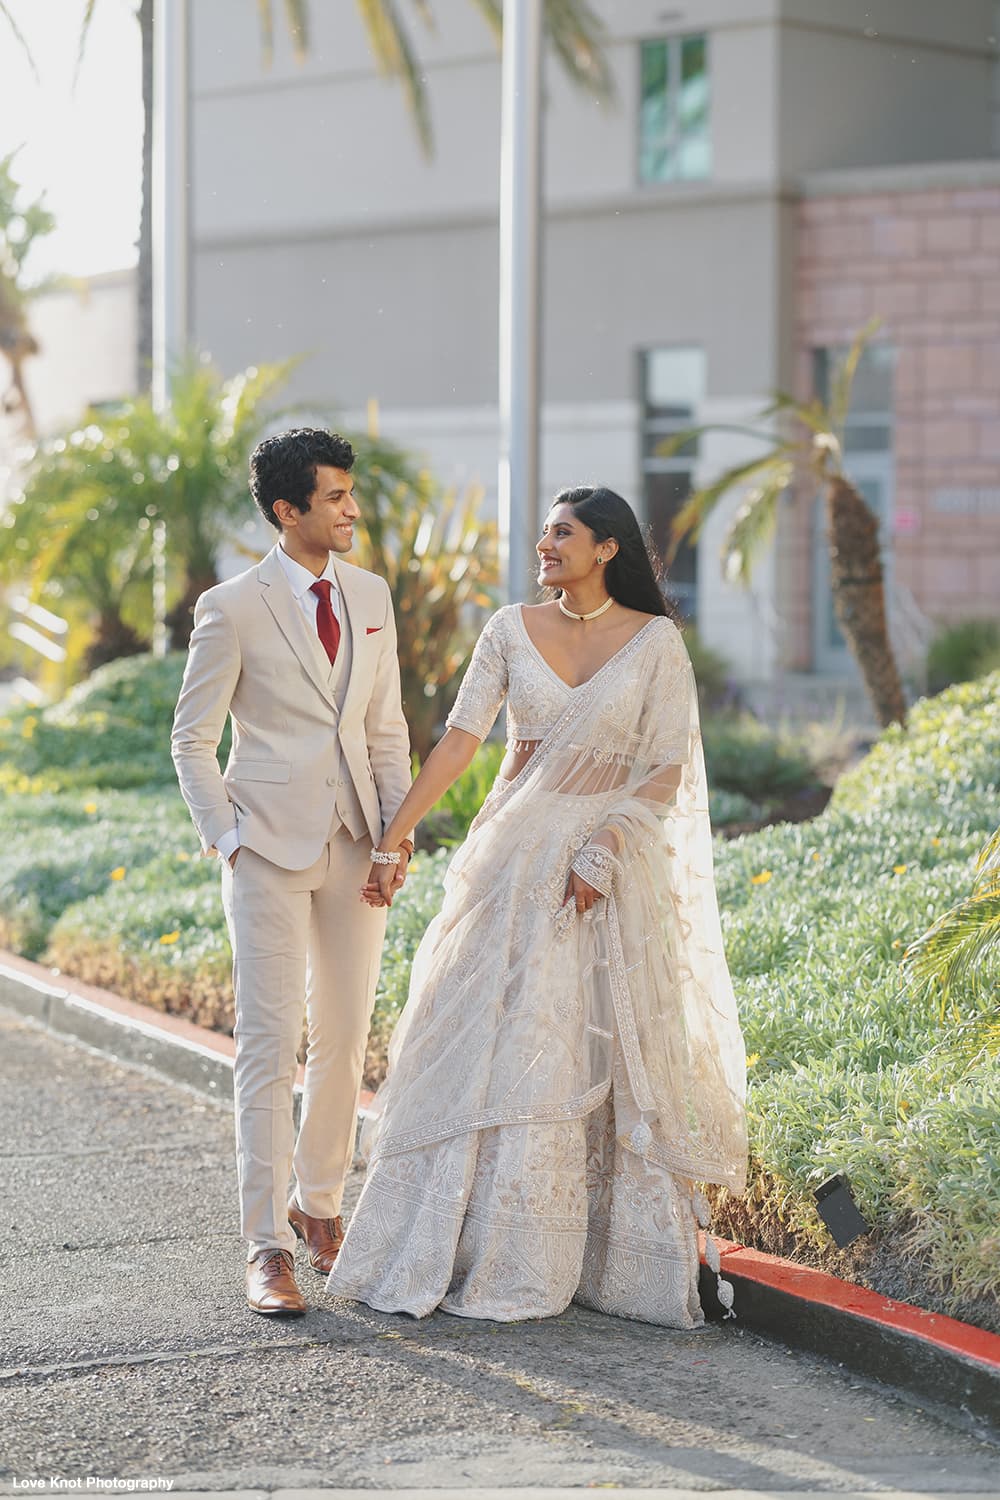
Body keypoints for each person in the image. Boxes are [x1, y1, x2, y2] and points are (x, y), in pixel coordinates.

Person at [327, 485, 747, 1328]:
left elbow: (665, 764)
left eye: (564, 533)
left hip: (606, 868)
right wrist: (393, 837)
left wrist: (608, 845)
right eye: (545, 533)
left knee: (579, 1039)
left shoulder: (657, 642)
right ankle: (473, 1243)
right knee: (484, 1030)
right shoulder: (510, 627)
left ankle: (590, 1253)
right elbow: (458, 738)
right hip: (509, 863)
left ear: (608, 549)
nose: (546, 544)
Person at [171, 428, 413, 1317]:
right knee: (271, 1046)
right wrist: (228, 838)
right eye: (336, 497)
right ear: (288, 510)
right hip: (265, 845)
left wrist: (392, 838)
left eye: (352, 494)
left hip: (354, 843)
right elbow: (191, 740)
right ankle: (264, 1243)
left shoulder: (372, 595)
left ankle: (319, 1206)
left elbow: (386, 729)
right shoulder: (231, 606)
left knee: (345, 1037)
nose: (352, 510)